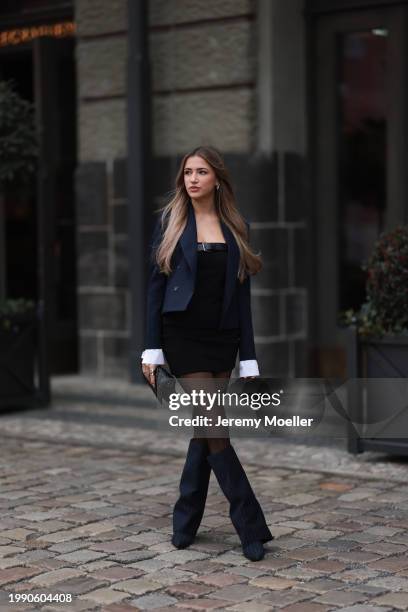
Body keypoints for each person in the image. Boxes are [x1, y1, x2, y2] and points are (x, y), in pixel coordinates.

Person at [141, 146, 273, 561]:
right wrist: (152, 351)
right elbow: (154, 291)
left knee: (206, 430)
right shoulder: (170, 223)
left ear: (217, 178)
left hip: (223, 339)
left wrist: (248, 356)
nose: (192, 179)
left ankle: (185, 522)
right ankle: (250, 526)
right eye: (187, 173)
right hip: (182, 338)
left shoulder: (237, 226)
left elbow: (243, 299)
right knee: (215, 428)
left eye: (201, 172)